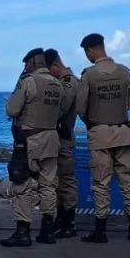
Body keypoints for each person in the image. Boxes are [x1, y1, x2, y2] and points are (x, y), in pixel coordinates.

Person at [76, 33, 130, 243]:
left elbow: (80, 107)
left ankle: (100, 230)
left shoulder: (89, 74)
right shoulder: (125, 72)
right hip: (123, 132)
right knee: (128, 183)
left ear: (90, 50)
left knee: (100, 183)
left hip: (100, 134)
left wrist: (91, 122)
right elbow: (128, 101)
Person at [0, 48, 65, 247]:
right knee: (49, 186)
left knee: (22, 185)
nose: (25, 67)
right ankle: (47, 229)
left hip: (30, 140)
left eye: (26, 63)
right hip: (52, 139)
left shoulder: (28, 82)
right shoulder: (58, 85)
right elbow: (60, 113)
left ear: (32, 63)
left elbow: (12, 110)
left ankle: (23, 231)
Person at [44, 48, 79, 238]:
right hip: (56, 138)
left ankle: (69, 221)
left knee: (66, 181)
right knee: (56, 182)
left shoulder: (69, 82)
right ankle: (60, 218)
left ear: (56, 66)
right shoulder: (60, 81)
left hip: (63, 137)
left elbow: (61, 108)